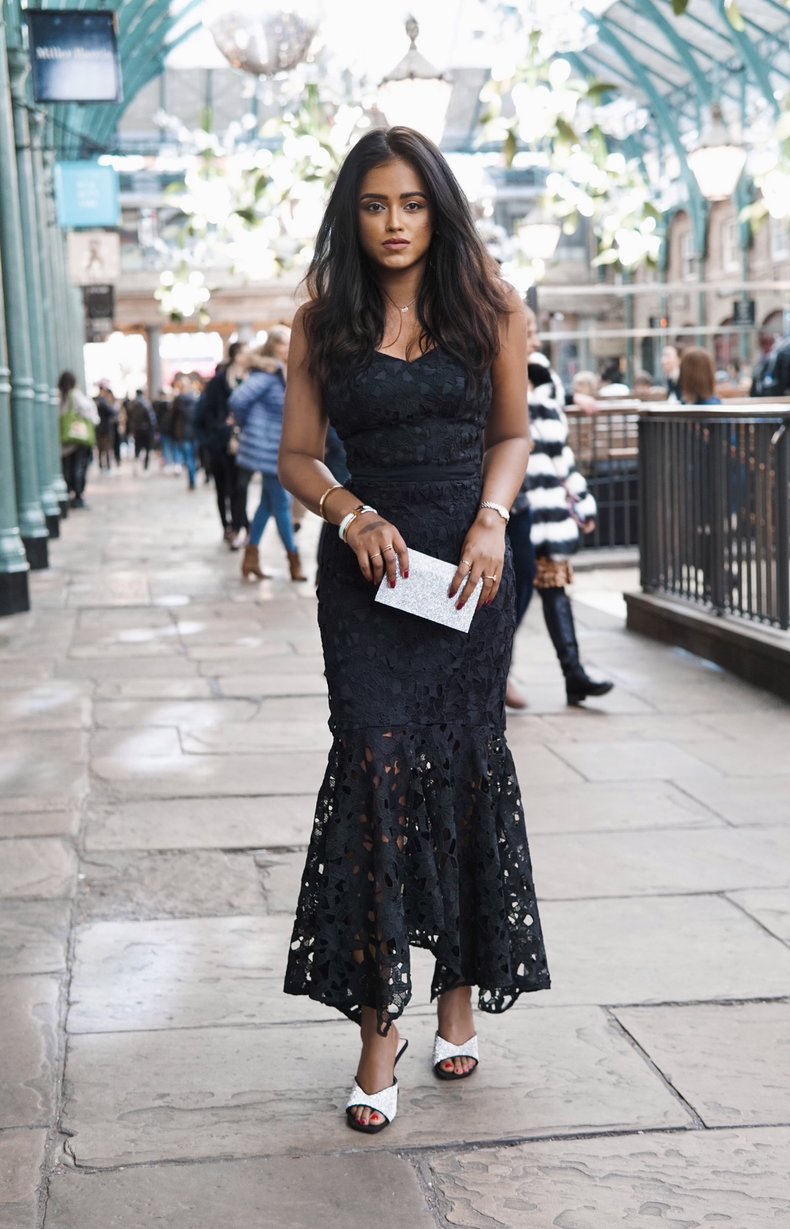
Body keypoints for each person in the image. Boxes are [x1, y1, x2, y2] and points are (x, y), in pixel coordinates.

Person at [279, 126, 550, 1134]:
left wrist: (491, 520)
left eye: (412, 203)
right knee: (374, 774)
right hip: (368, 575)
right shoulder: (321, 320)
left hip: (468, 577)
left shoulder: (491, 308)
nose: (394, 224)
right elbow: (299, 457)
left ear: (439, 208)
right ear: (352, 215)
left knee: (465, 768)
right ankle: (376, 1030)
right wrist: (352, 512)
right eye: (374, 205)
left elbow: (512, 431)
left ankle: (458, 996)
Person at [518, 308, 614, 707]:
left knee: (555, 588)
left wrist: (580, 501)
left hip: (550, 508)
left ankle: (573, 674)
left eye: (535, 332)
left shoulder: (544, 379)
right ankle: (493, 675)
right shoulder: (486, 375)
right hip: (512, 506)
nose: (536, 341)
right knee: (511, 595)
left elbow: (560, 452)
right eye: (528, 332)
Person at [230, 328, 306, 582]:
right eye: (283, 344)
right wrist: (250, 426)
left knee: (266, 505)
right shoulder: (269, 373)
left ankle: (249, 559)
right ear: (273, 347)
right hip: (267, 450)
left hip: (276, 447)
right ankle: (294, 560)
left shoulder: (282, 372)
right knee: (282, 504)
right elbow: (237, 400)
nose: (288, 348)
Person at [196, 342, 250, 547]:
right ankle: (228, 526)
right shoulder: (218, 382)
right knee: (223, 488)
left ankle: (238, 526)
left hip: (245, 444)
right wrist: (215, 435)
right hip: (221, 445)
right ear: (236, 356)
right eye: (245, 353)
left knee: (240, 487)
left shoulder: (251, 378)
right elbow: (205, 415)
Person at [58, 371, 97, 508]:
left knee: (67, 467)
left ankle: (69, 493)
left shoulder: (59, 396)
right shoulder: (75, 395)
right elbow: (92, 415)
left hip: (64, 439)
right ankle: (78, 496)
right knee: (79, 467)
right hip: (78, 438)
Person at [170, 375, 199, 489]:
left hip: (183, 432)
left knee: (189, 458)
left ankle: (192, 480)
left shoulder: (178, 400)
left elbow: (173, 418)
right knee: (193, 457)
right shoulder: (195, 399)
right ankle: (193, 479)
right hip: (194, 432)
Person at [126, 389, 157, 474]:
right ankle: (145, 468)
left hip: (136, 430)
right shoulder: (146, 404)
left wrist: (129, 430)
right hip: (146, 430)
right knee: (147, 449)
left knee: (137, 447)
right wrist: (153, 430)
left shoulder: (131, 405)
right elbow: (151, 419)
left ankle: (136, 464)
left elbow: (129, 419)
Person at [94, 380, 118, 471]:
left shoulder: (95, 400)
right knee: (107, 448)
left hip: (98, 428)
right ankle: (107, 466)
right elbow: (112, 412)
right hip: (106, 429)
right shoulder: (103, 401)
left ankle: (101, 465)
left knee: (101, 449)